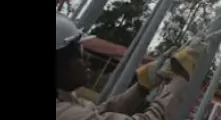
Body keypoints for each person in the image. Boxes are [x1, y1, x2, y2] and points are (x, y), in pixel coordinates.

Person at [56, 12, 207, 120]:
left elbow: (99, 112)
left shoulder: (65, 102)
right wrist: (180, 79)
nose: (87, 57)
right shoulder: (63, 113)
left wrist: (143, 85)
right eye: (78, 53)